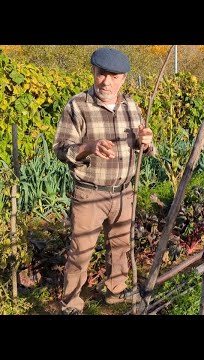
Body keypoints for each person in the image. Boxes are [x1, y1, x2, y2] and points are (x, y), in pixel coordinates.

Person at [53, 47, 155, 315]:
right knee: (80, 251)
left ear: (123, 78)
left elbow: (143, 145)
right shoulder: (77, 106)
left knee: (121, 246)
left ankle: (115, 290)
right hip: (90, 194)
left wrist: (146, 142)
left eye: (113, 76)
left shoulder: (130, 106)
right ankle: (72, 302)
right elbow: (62, 149)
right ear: (93, 72)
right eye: (101, 74)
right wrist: (88, 147)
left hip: (124, 192)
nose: (106, 82)